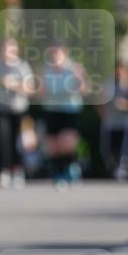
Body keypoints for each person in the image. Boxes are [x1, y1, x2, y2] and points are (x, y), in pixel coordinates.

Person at [0, 38, 34, 187]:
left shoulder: (22, 67)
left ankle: (18, 170)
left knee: (17, 141)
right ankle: (3, 170)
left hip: (18, 109)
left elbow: (30, 89)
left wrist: (14, 86)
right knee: (1, 139)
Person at [40, 44, 89, 188]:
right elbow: (41, 92)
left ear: (65, 53)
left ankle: (70, 169)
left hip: (70, 109)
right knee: (53, 145)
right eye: (52, 52)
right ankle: (58, 174)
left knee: (66, 143)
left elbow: (84, 88)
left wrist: (78, 80)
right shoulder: (46, 69)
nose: (55, 55)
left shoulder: (74, 68)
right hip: (51, 109)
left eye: (57, 52)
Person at [98, 62, 128, 181]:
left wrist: (125, 105)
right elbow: (99, 100)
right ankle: (113, 169)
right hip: (109, 123)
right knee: (106, 149)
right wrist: (103, 112)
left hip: (125, 123)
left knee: (123, 149)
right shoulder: (108, 84)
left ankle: (122, 171)